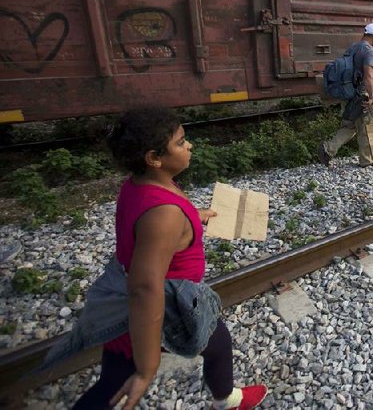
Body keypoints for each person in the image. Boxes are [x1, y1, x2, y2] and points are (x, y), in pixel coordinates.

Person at [70, 107, 266, 409]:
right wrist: (147, 368)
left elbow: (149, 228)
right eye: (180, 141)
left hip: (136, 293)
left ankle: (226, 398)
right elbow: (145, 289)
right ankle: (226, 400)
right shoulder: (164, 215)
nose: (189, 146)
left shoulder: (140, 185)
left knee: (213, 343)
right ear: (154, 158)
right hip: (169, 305)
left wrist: (191, 216)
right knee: (122, 382)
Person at [319, 23, 373, 168]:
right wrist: (371, 98)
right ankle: (366, 160)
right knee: (370, 123)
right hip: (361, 94)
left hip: (348, 93)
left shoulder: (353, 47)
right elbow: (368, 76)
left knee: (349, 125)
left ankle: (328, 149)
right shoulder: (369, 51)